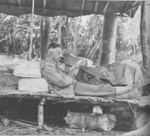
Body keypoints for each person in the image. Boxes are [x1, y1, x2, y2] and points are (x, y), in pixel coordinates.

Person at [40, 43, 136, 98]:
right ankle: (127, 89)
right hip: (68, 88)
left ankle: (123, 90)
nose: (60, 56)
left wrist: (71, 71)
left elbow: (63, 78)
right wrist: (70, 75)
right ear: (50, 54)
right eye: (58, 53)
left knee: (94, 81)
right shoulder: (48, 67)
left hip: (72, 85)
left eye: (60, 53)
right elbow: (62, 82)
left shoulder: (53, 65)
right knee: (97, 89)